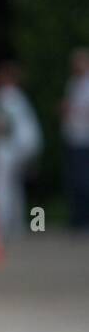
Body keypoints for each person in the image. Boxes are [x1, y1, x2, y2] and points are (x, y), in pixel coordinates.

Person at [0, 63, 42, 236]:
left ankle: (1, 224)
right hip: (18, 149)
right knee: (14, 187)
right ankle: (14, 224)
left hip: (7, 149)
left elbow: (2, 124)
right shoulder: (19, 97)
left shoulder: (6, 96)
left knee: (0, 186)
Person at [62, 48, 89, 229]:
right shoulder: (73, 83)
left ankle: (84, 219)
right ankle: (77, 219)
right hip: (72, 137)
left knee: (83, 180)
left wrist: (73, 111)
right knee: (74, 180)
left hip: (85, 138)